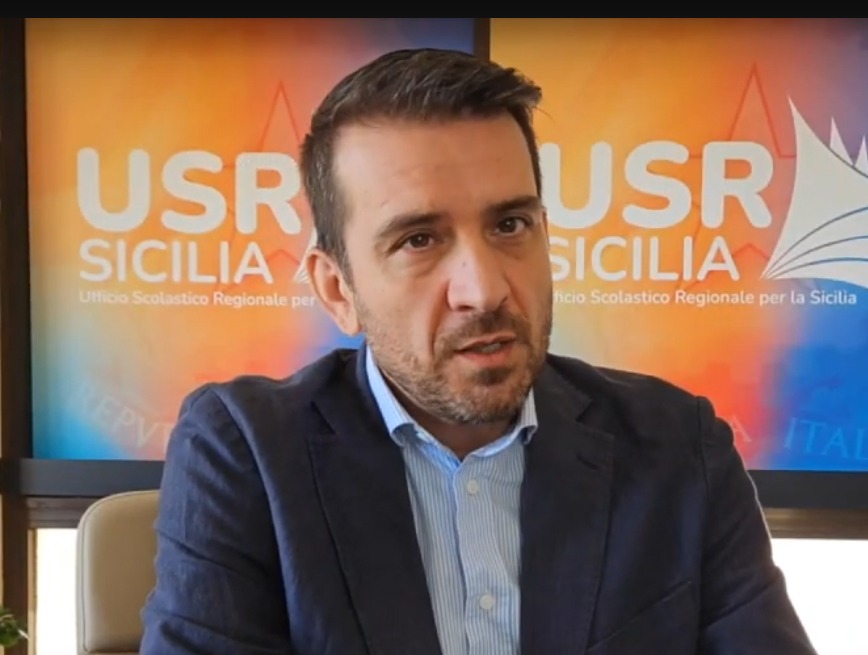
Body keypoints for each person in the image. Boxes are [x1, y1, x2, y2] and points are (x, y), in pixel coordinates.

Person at [140, 48, 817, 655]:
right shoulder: (247, 451)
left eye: (510, 224)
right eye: (419, 240)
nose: (485, 288)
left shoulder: (678, 448)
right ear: (338, 289)